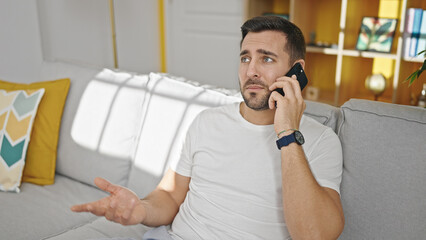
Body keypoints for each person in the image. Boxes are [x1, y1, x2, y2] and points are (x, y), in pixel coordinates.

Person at [71, 16, 344, 240]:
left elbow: (315, 235)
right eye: (245, 58)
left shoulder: (320, 141)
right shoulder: (207, 122)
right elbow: (169, 195)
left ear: (296, 71)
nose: (251, 72)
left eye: (267, 59)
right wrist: (140, 210)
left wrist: (287, 134)